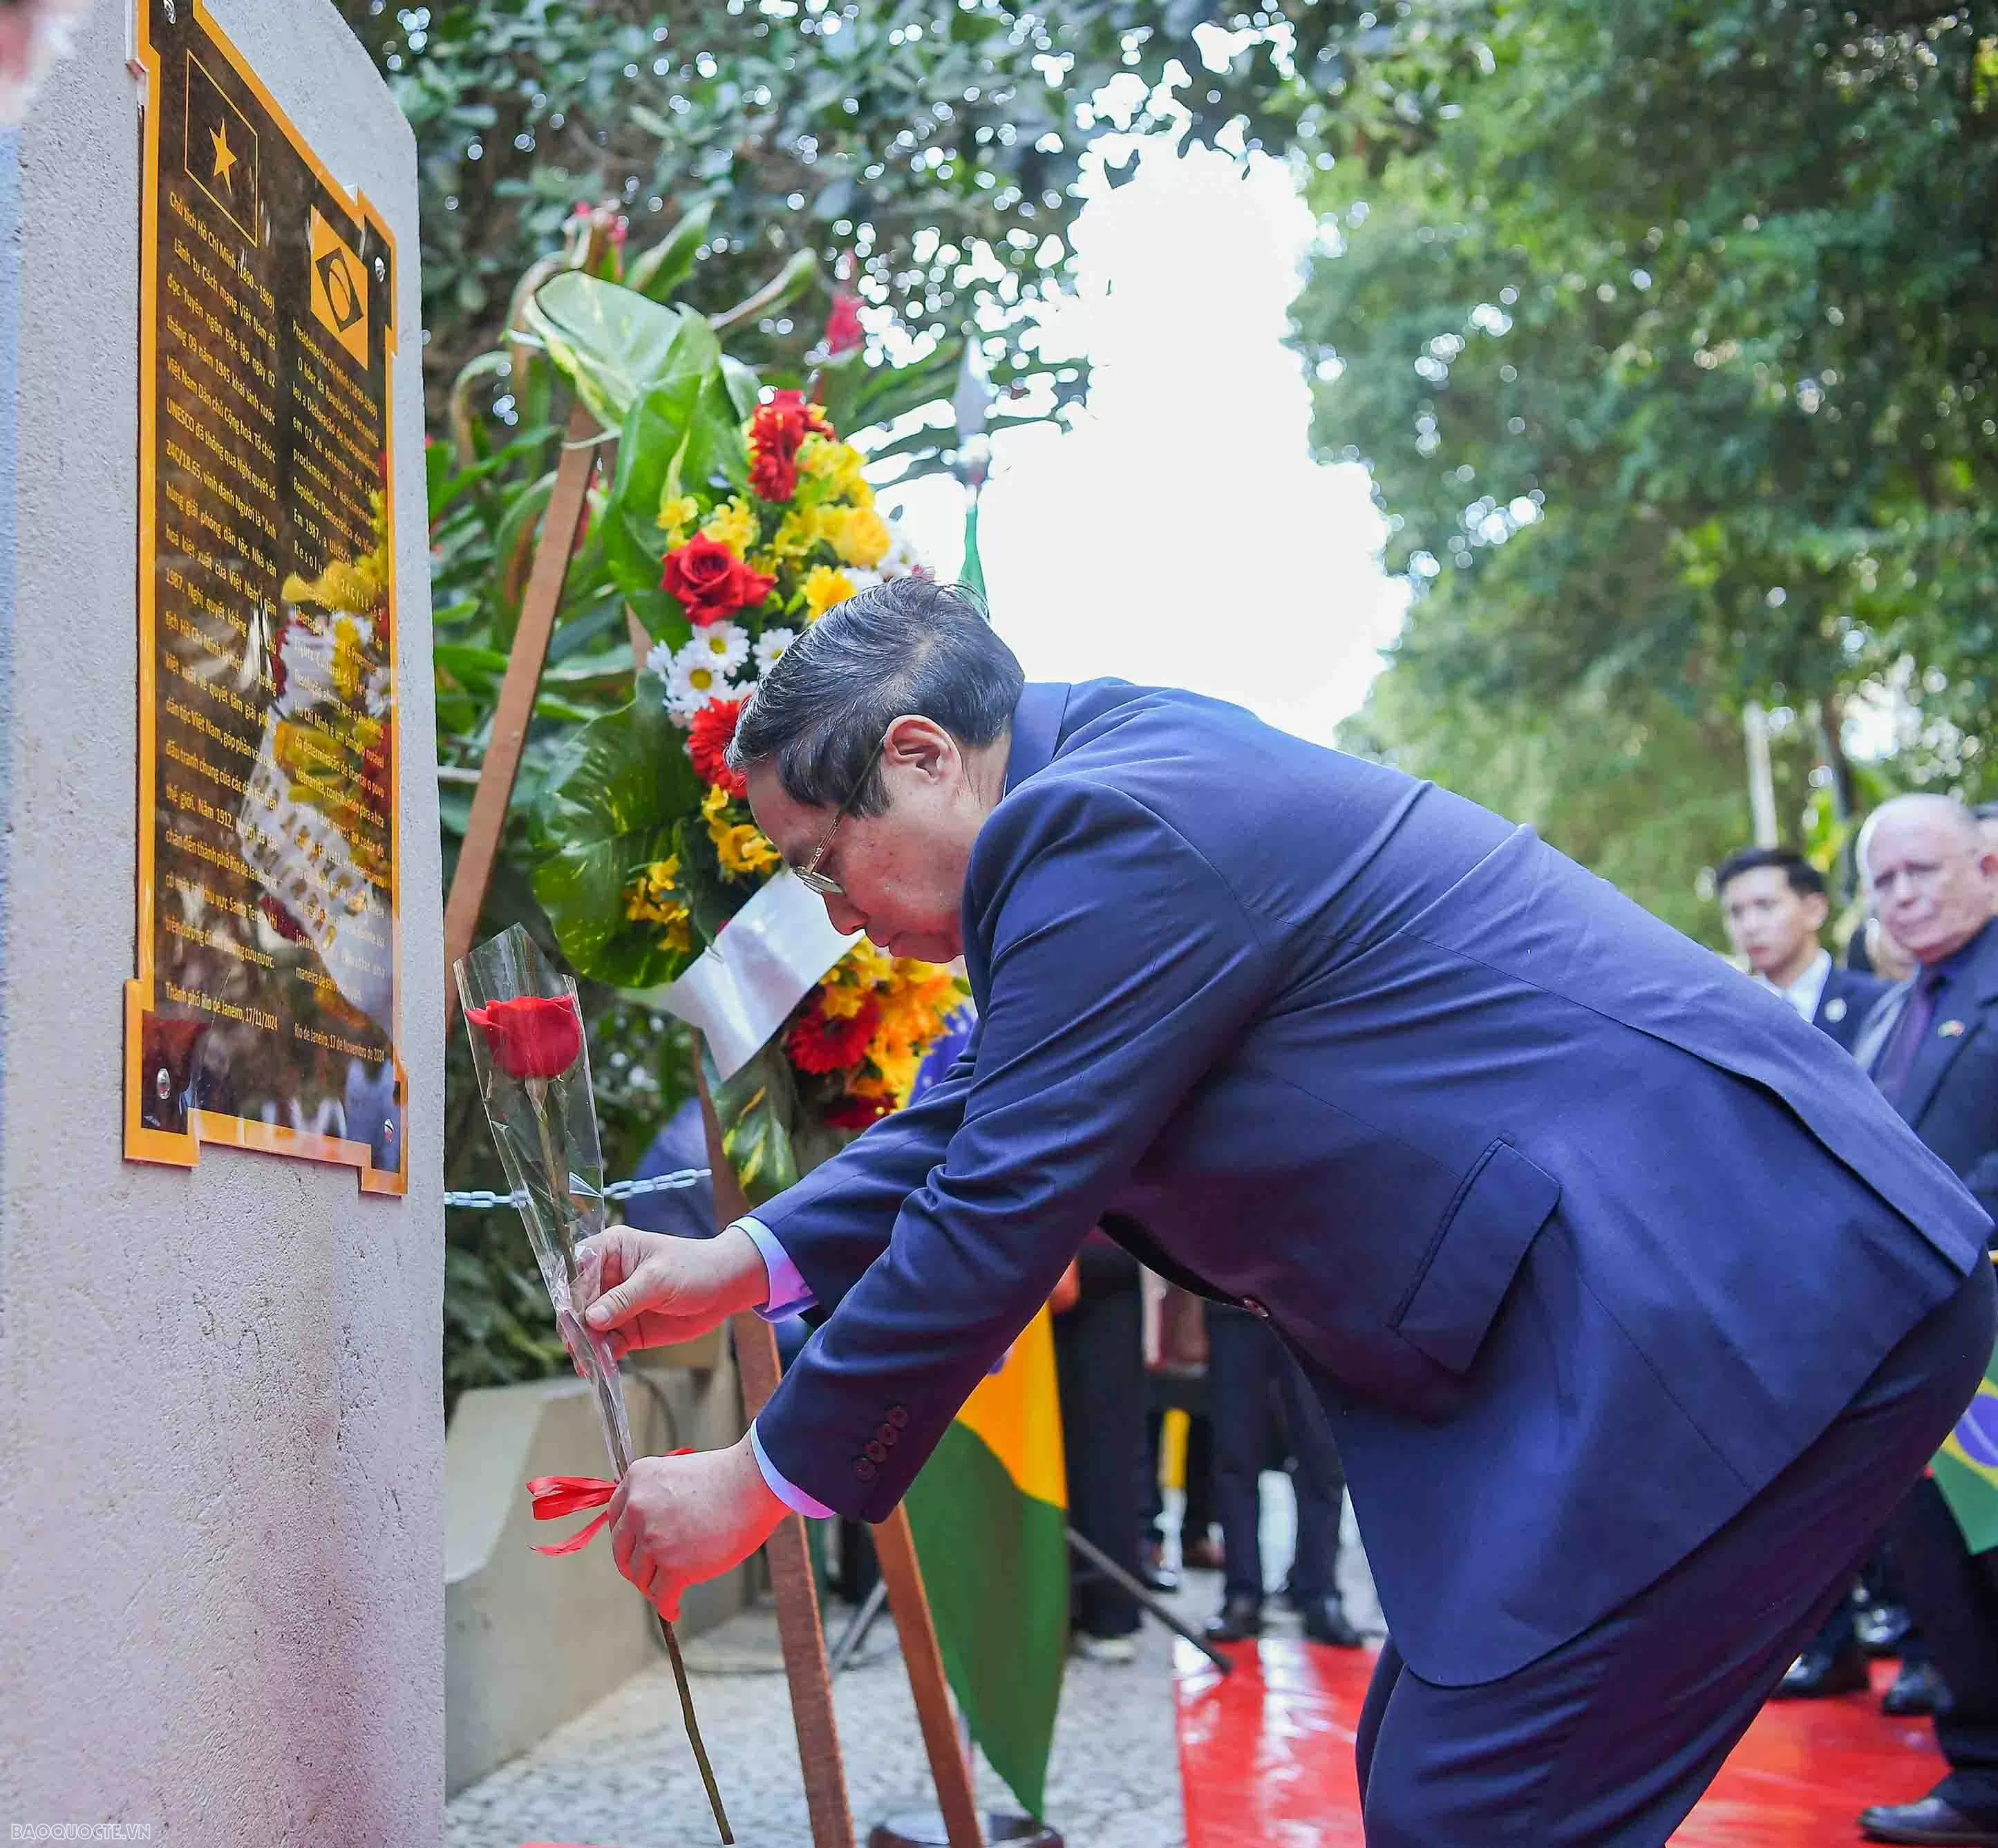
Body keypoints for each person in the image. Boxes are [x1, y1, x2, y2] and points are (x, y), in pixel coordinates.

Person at [578, 582, 1993, 1848]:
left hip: (1738, 1288)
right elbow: (974, 1115)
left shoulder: (1100, 823)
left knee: (1480, 1799)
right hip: (1669, 1294)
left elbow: (998, 1196)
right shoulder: (1102, 785)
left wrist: (759, 1477)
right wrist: (739, 1260)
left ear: (918, 752)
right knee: (1438, 1776)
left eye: (821, 862)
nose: (830, 917)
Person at [1840, 795, 1998, 1847]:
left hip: (1987, 1337)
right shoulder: (1887, 1012)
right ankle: (1980, 1775)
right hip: (1911, 1353)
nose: (1901, 895)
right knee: (1937, 1566)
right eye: (1883, 879)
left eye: (1922, 870)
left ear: (1986, 864)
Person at [1204, 1299, 1364, 1648]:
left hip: (1313, 1303)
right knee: (1234, 1455)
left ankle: (1320, 1591)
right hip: (1233, 1297)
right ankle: (1242, 1592)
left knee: (1322, 1458)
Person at [1050, 1223, 1149, 1663]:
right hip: (1024, 1255)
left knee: (1104, 1451)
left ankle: (1107, 1608)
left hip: (1104, 1250)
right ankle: (1046, 1605)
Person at [1717, 845, 1884, 1051]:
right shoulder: (1728, 1020)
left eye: (1766, 906)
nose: (1750, 926)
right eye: (1736, 913)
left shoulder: (1880, 1004)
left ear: (1815, 910)